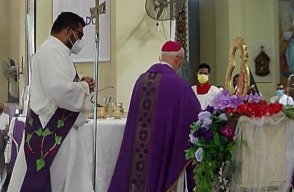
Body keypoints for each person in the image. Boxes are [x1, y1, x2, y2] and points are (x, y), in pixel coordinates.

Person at [8, 12, 95, 192]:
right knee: (57, 182)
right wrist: (84, 87)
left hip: (55, 128)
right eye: (79, 35)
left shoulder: (56, 52)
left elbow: (61, 86)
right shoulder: (51, 52)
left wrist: (79, 85)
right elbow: (60, 91)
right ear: (68, 31)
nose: (80, 41)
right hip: (52, 130)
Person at [108, 41, 200, 192]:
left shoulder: (141, 80)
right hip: (163, 150)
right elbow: (195, 120)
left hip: (140, 150)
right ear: (178, 60)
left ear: (160, 58)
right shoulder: (180, 85)